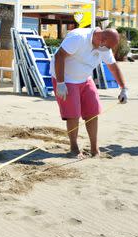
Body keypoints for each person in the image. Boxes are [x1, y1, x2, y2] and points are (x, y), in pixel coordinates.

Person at [52, 27, 129, 158]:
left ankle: (94, 149)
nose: (107, 50)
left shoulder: (104, 47)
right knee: (73, 114)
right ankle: (74, 148)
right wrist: (60, 82)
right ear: (102, 39)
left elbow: (113, 67)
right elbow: (59, 56)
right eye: (108, 46)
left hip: (85, 78)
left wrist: (123, 88)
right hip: (66, 78)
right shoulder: (78, 38)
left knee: (92, 111)